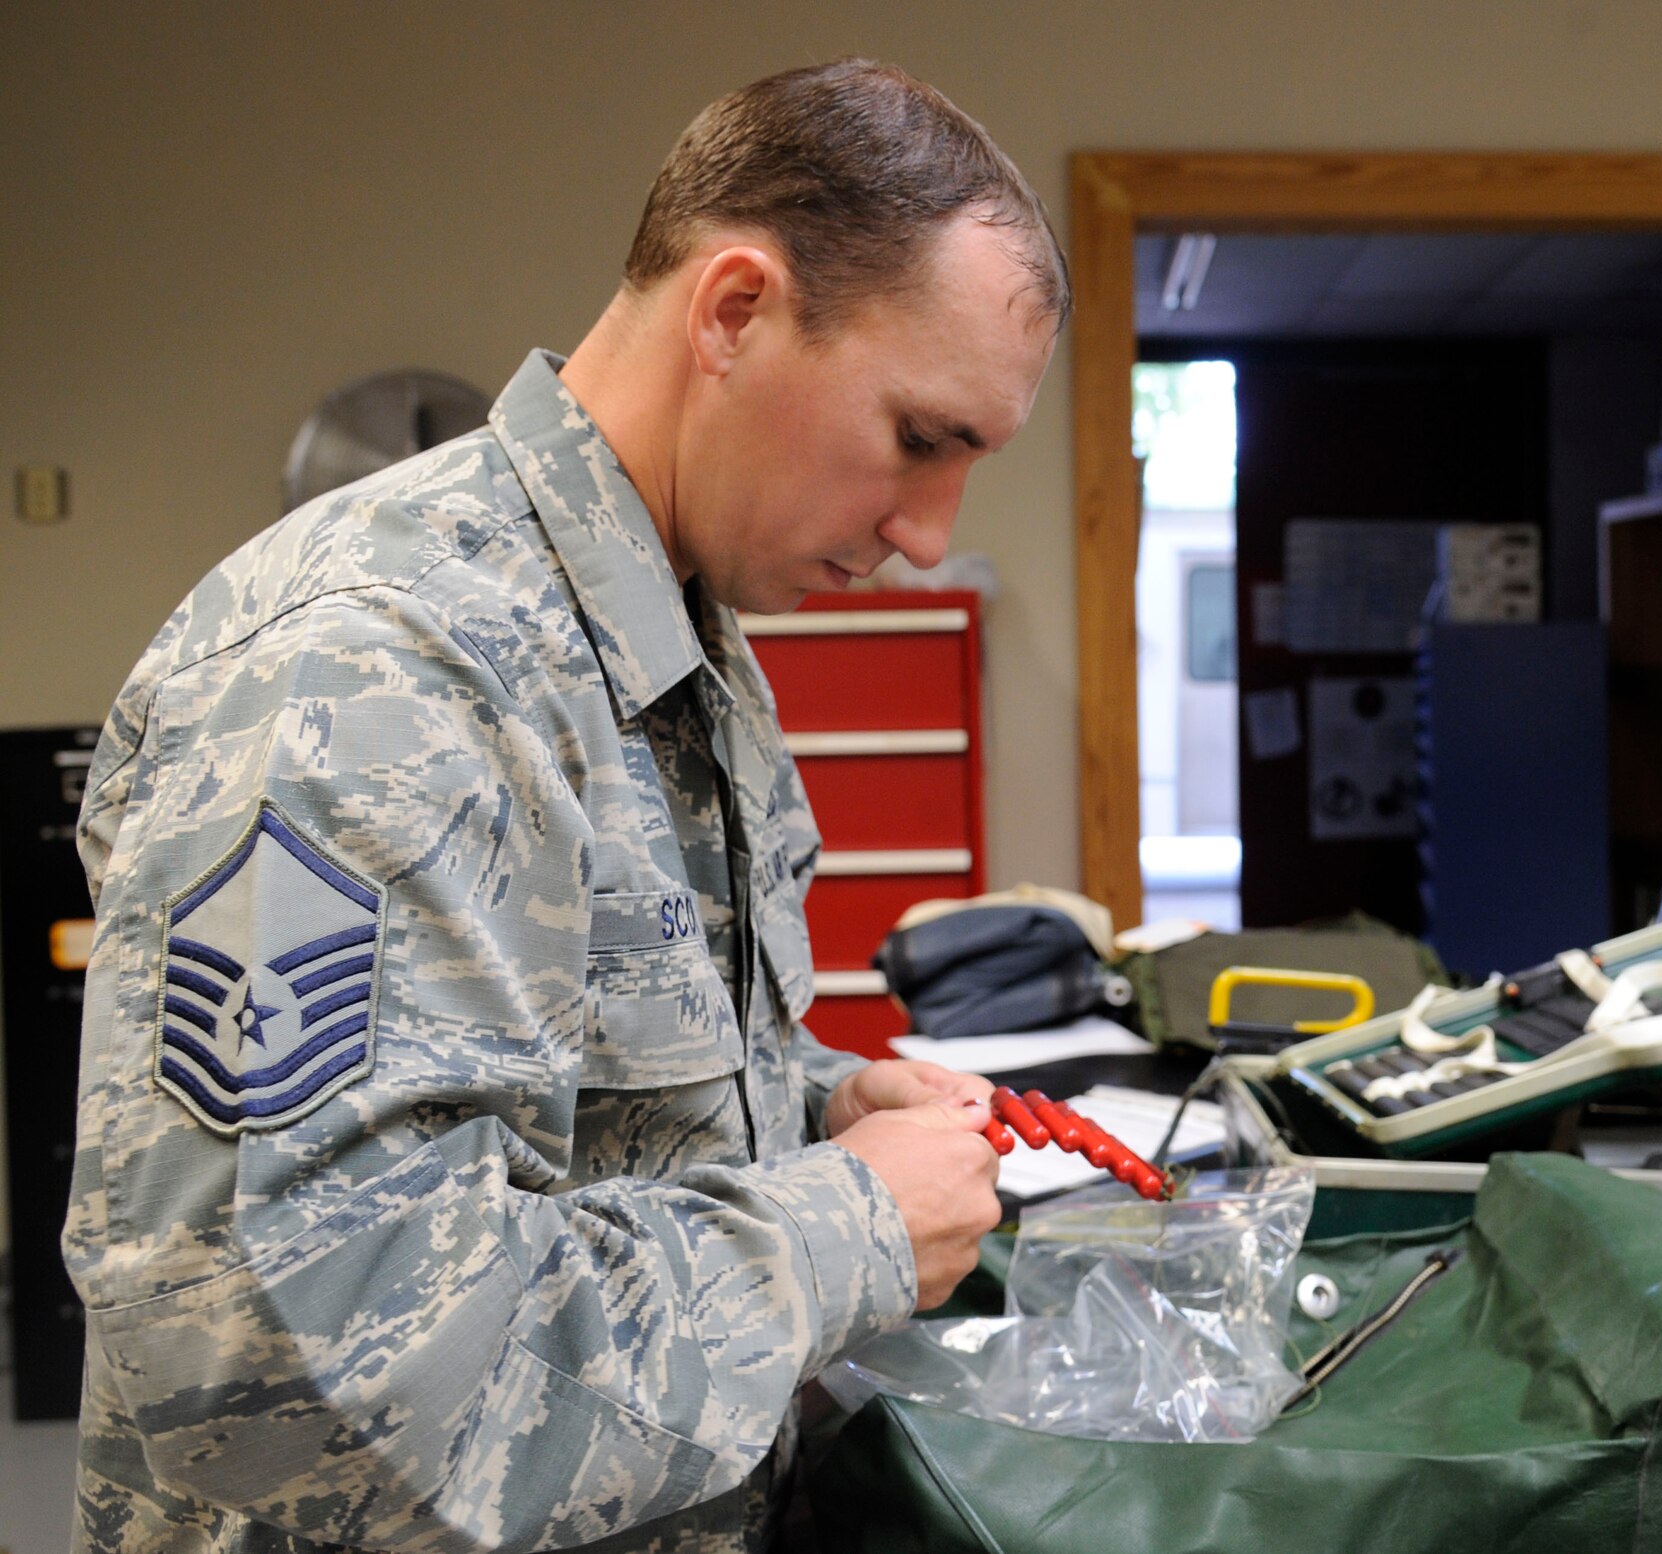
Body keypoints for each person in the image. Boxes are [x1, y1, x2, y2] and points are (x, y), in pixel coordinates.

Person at [63, 59, 1067, 1554]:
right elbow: (276, 1370)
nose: (930, 537)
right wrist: (841, 1225)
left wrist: (809, 1110)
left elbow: (575, 1116)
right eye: (923, 439)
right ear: (733, 311)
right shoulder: (376, 664)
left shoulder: (683, 640)